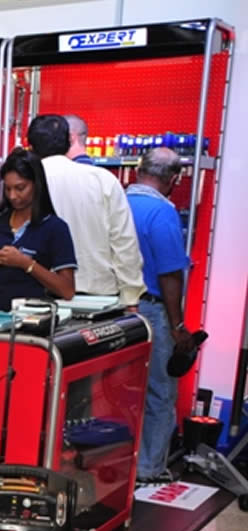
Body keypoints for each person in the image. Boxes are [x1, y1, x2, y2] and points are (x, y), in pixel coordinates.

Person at [127, 147, 195, 483]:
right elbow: (170, 274)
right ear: (173, 179)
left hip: (115, 308)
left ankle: (115, 464)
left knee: (118, 391)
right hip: (151, 310)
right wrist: (177, 325)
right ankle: (148, 469)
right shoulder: (162, 212)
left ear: (138, 170)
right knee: (159, 391)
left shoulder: (117, 202)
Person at [28, 114, 144, 307]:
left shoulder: (25, 183)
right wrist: (131, 297)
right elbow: (124, 244)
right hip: (99, 298)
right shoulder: (103, 179)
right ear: (69, 141)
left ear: (31, 146)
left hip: (40, 297)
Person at [0, 148, 77, 311]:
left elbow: (67, 290)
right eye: (8, 189)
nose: (13, 196)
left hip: (28, 317)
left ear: (36, 184)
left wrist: (25, 263)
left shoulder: (55, 228)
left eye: (20, 188)